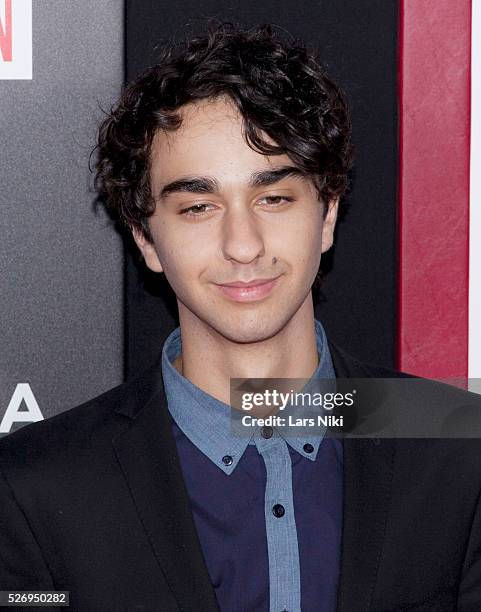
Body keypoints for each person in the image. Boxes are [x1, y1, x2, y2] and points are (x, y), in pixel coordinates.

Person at [0, 21, 480, 612]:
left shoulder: (460, 449)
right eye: (199, 206)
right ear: (147, 239)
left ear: (326, 214)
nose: (244, 245)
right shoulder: (34, 486)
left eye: (273, 197)